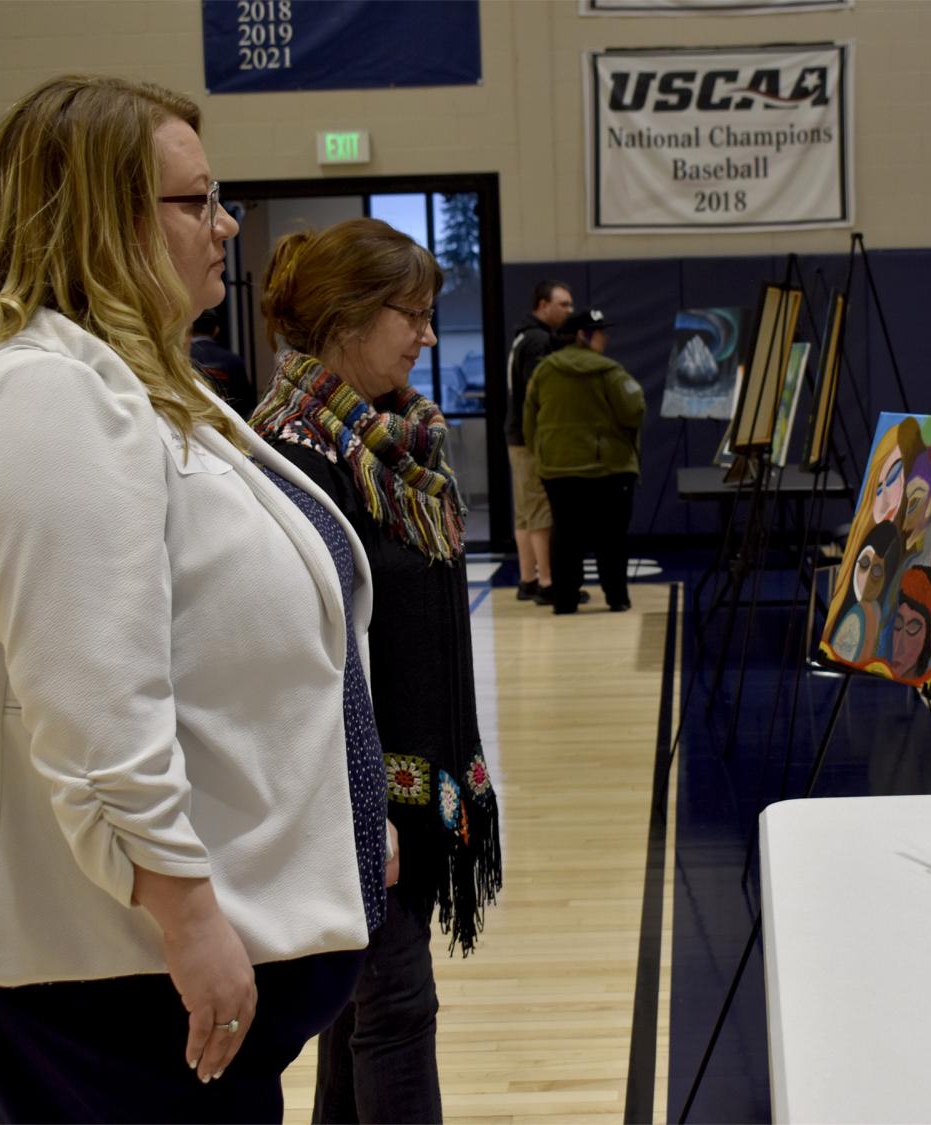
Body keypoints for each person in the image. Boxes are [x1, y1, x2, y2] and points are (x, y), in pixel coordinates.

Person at [0, 76, 389, 1122]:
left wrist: (345, 812)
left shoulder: (130, 376)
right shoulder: (36, 392)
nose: (226, 225)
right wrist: (185, 915)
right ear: (99, 216)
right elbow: (95, 698)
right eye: (197, 200)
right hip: (105, 968)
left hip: (150, 961)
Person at [253, 217, 503, 1124]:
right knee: (394, 1006)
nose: (428, 336)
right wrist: (359, 804)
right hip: (355, 796)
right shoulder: (290, 454)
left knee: (364, 1009)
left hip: (411, 787)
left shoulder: (401, 441)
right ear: (348, 318)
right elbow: (303, 658)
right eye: (414, 314)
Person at [523, 308, 645, 615]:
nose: (606, 338)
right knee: (612, 537)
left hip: (558, 470)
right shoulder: (609, 371)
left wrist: (544, 454)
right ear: (583, 335)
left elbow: (529, 421)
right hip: (610, 470)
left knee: (565, 535)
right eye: (601, 332)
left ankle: (564, 601)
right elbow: (634, 411)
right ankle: (617, 598)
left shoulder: (544, 371)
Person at [505, 279, 572, 604]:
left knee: (525, 511)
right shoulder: (538, 340)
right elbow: (539, 393)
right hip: (530, 438)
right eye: (563, 304)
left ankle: (528, 580)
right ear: (543, 305)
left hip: (517, 435)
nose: (569, 310)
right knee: (540, 509)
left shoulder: (523, 335)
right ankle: (547, 583)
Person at [190, 304, 256, 418]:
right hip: (227, 419)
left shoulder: (181, 358)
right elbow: (246, 402)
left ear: (189, 330)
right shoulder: (232, 360)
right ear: (216, 330)